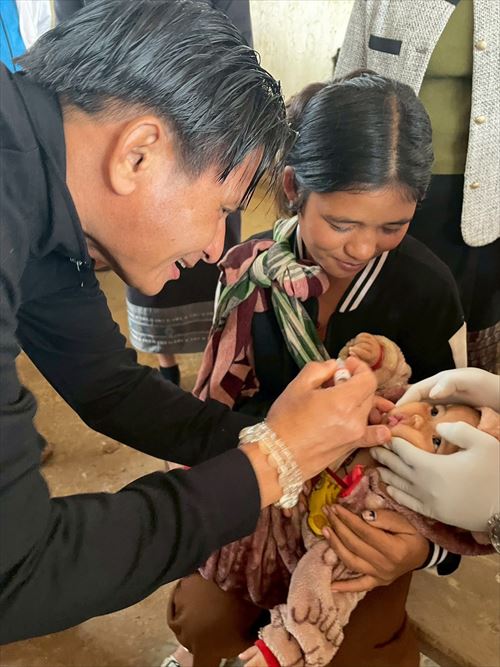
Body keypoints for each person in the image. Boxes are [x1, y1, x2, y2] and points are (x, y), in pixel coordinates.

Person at [0, 1, 382, 644]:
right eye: (221, 208)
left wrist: (281, 437)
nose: (213, 248)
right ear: (138, 153)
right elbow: (19, 572)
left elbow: (108, 387)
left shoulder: (40, 180)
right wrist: (273, 463)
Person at [163, 72, 466, 667]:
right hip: (260, 496)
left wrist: (423, 552)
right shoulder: (249, 273)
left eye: (392, 226)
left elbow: (458, 440)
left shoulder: (427, 291)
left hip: (361, 516)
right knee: (204, 622)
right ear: (294, 187)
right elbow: (218, 405)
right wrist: (276, 452)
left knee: (350, 651)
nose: (362, 248)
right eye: (342, 223)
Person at [334, 0, 500, 373]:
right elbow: (345, 80)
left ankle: (456, 401)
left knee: (465, 323)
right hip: (388, 187)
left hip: (485, 193)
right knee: (383, 305)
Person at [125, 0, 253, 386]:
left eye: (226, 210)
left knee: (214, 265)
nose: (212, 247)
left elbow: (239, 55)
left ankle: (216, 362)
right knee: (152, 272)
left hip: (210, 142)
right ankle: (167, 364)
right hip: (140, 137)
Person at [371, 367, 500, 540]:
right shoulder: (385, 397)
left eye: (437, 442)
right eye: (435, 412)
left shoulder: (396, 509)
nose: (418, 419)